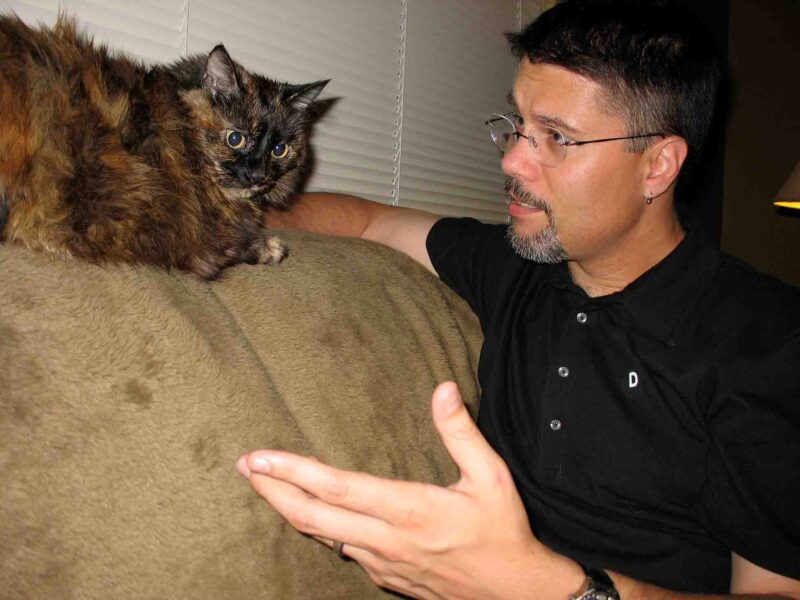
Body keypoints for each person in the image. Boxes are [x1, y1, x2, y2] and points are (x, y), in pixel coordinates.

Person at [236, 1, 800, 598]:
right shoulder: (517, 267)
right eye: (517, 126)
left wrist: (547, 587)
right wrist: (203, 213)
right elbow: (366, 220)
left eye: (556, 137)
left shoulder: (769, 344)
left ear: (658, 165)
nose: (510, 160)